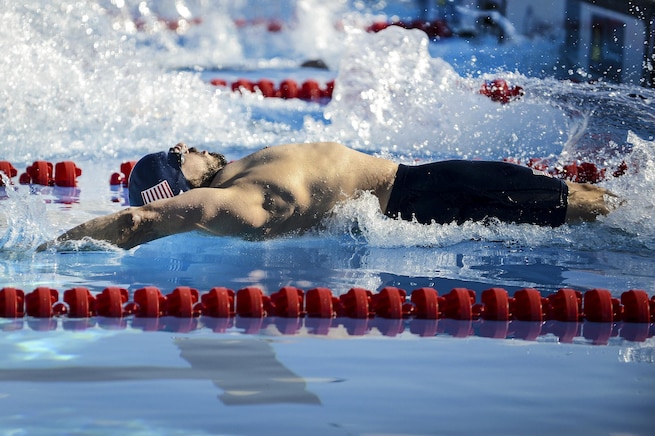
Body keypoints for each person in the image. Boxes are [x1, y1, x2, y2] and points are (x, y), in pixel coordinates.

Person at [44, 142, 615, 250]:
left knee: (588, 198)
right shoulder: (237, 200)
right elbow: (133, 225)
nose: (183, 144)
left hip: (425, 181)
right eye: (175, 158)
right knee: (591, 206)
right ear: (183, 187)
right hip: (431, 198)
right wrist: (47, 250)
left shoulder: (238, 171)